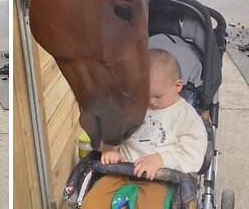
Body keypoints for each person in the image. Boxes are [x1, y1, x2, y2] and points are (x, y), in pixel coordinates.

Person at [82, 49, 207, 209]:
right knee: (91, 203)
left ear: (177, 86)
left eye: (157, 96)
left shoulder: (186, 116)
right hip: (119, 170)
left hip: (159, 178)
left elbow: (192, 155)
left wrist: (161, 159)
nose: (150, 102)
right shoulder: (130, 107)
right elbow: (111, 130)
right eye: (143, 94)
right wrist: (109, 148)